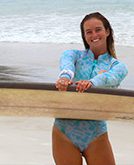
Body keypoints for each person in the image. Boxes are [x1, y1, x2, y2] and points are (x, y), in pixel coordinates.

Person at [52, 12, 129, 165]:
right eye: (89, 32)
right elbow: (66, 62)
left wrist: (92, 83)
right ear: (84, 36)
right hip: (64, 131)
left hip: (96, 134)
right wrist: (65, 77)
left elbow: (111, 77)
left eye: (98, 29)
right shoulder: (73, 55)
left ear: (107, 32)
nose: (94, 35)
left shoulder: (117, 66)